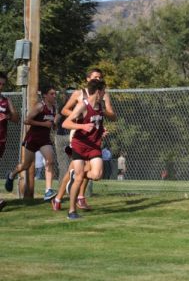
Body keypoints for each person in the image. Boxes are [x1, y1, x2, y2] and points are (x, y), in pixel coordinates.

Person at [53, 68, 112, 212]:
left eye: (100, 77)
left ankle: (80, 197)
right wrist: (80, 118)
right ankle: (59, 198)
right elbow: (65, 111)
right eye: (95, 77)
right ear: (88, 79)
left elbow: (109, 115)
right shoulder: (79, 94)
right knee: (76, 169)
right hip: (79, 132)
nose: (98, 79)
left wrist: (100, 125)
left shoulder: (102, 96)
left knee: (88, 170)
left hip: (93, 135)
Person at [6, 84, 58, 200]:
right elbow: (26, 120)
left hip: (44, 140)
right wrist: (43, 124)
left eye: (55, 94)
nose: (54, 96)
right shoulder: (40, 106)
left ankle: (48, 190)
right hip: (33, 139)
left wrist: (54, 125)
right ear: (45, 95)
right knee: (26, 165)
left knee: (50, 161)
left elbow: (51, 124)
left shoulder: (54, 108)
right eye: (52, 94)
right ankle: (11, 175)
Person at [0, 71, 20, 211]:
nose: (0, 86)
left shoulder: (6, 100)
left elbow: (16, 118)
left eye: (2, 84)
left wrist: (7, 116)